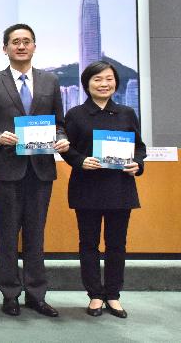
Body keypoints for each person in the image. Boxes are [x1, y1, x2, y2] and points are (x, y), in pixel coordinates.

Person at [0, 23, 69, 317]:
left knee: (35, 234)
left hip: (40, 169)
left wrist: (62, 138)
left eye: (26, 41)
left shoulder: (50, 81)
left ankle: (36, 294)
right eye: (15, 41)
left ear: (34, 46)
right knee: (7, 233)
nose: (21, 46)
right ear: (5, 48)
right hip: (6, 168)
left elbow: (59, 123)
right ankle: (10, 293)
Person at [61, 61, 145, 319]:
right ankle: (95, 295)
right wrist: (79, 160)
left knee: (117, 244)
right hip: (87, 187)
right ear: (87, 84)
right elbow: (67, 148)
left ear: (116, 83)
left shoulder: (127, 113)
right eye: (98, 79)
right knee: (88, 243)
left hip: (120, 188)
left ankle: (113, 295)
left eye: (109, 79)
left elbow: (139, 148)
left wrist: (137, 165)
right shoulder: (75, 114)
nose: (104, 84)